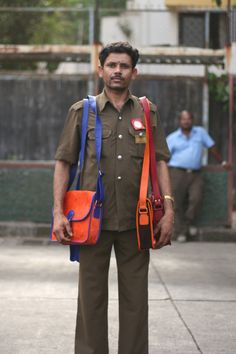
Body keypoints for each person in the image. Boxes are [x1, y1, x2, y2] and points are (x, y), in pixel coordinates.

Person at [52, 41, 174, 354]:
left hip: (137, 220)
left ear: (134, 71)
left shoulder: (147, 112)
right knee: (91, 300)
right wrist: (58, 212)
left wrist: (169, 211)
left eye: (124, 66)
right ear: (101, 69)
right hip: (92, 222)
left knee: (136, 301)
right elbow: (63, 162)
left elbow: (160, 160)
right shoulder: (82, 111)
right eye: (111, 65)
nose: (117, 71)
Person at [167, 110, 231, 243]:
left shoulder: (200, 132)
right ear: (179, 121)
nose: (186, 121)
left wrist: (222, 162)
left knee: (196, 199)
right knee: (176, 202)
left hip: (196, 173)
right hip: (177, 172)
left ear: (192, 120)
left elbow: (211, 147)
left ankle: (185, 227)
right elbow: (165, 157)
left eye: (188, 118)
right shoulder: (172, 138)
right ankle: (181, 231)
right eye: (183, 119)